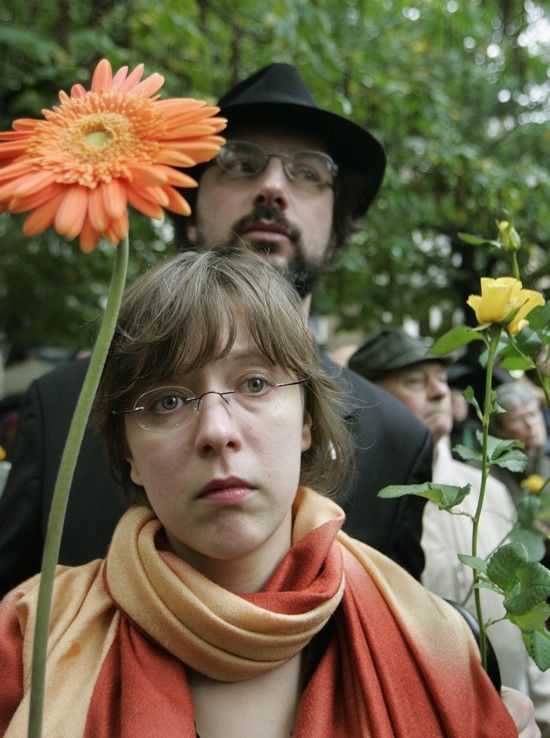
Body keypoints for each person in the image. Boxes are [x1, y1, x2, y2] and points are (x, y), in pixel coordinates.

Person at [0, 251, 519, 736]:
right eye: (167, 400)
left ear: (307, 424)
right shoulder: (24, 641)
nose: (216, 431)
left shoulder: (440, 640)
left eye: (254, 384)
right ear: (129, 453)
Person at [0, 62, 433, 596]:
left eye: (308, 172)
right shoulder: (63, 407)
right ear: (186, 208)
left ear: (337, 227)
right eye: (239, 164)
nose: (273, 187)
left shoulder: (399, 440)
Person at [348, 328, 550, 733]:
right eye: (414, 382)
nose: (439, 392)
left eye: (440, 378)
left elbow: (523, 607)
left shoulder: (487, 488)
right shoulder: (360, 501)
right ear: (369, 398)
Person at [489, 381, 550, 502]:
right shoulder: (486, 473)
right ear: (500, 430)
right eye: (518, 419)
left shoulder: (546, 464)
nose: (530, 424)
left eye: (533, 414)